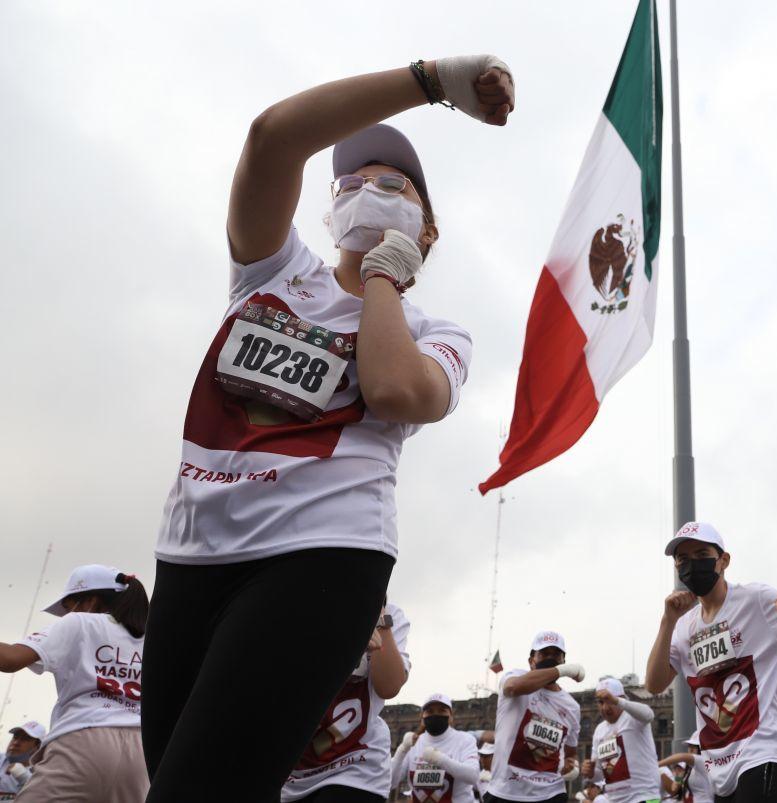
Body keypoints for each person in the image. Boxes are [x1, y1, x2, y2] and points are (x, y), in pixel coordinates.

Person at [142, 53, 510, 802]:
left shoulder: (436, 331)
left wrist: (382, 278)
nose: (368, 190)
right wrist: (433, 82)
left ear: (428, 229)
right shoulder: (273, 273)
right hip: (190, 553)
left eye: (393, 185)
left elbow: (396, 389)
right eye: (351, 183)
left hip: (319, 556)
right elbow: (272, 138)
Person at [645, 521, 777, 803]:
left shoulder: (756, 600)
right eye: (683, 559)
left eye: (702, 555)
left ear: (723, 560)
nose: (692, 565)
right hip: (718, 761)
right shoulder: (683, 627)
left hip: (763, 748)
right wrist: (667, 621)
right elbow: (654, 684)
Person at [0, 565, 149, 802]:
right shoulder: (152, 637)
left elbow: (9, 660)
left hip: (84, 742)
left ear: (91, 601)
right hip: (141, 753)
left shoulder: (80, 622)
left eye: (69, 607)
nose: (67, 615)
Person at [282, 602, 411, 802]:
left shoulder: (389, 614)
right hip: (293, 773)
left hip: (356, 766)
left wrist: (379, 618)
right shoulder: (296, 604)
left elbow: (389, 686)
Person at [487, 631, 585, 803]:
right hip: (506, 792)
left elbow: (571, 754)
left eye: (556, 655)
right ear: (531, 661)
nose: (550, 658)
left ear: (563, 660)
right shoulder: (514, 676)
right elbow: (512, 688)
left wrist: (573, 767)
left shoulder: (572, 707)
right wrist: (562, 671)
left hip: (551, 794)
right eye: (544, 654)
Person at [390, 693, 480, 803]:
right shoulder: (414, 743)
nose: (435, 715)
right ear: (422, 717)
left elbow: (473, 776)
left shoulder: (465, 740)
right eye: (430, 711)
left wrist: (440, 759)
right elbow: (390, 782)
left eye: (442, 711)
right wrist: (402, 750)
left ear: (451, 716)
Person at [582, 677, 661, 803]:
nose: (605, 708)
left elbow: (649, 714)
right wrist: (590, 772)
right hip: (614, 800)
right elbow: (599, 774)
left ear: (620, 699)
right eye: (601, 702)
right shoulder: (599, 731)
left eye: (609, 701)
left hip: (645, 797)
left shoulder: (633, 718)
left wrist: (618, 701)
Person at [659, 734, 714, 803]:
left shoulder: (703, 761)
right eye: (689, 746)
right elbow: (674, 788)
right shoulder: (687, 767)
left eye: (694, 746)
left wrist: (657, 765)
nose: (690, 749)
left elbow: (682, 757)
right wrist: (679, 776)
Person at [0, 721, 44, 800]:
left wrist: (23, 777)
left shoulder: (40, 773)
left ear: (37, 747)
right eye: (15, 737)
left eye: (25, 739)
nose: (16, 743)